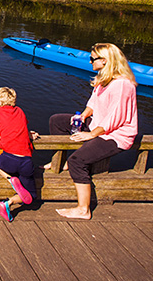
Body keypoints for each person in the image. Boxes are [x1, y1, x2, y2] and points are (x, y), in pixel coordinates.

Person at [50, 43, 138, 220]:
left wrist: (91, 134)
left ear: (104, 61)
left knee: (78, 161)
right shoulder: (104, 79)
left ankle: (83, 209)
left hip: (115, 135)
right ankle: (62, 160)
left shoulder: (122, 85)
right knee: (57, 121)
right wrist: (83, 115)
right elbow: (93, 103)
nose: (89, 61)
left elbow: (116, 118)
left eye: (92, 58)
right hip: (99, 125)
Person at [0, 87, 39, 221]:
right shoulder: (20, 111)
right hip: (26, 162)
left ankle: (10, 178)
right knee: (31, 195)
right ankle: (8, 203)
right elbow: (21, 129)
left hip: (8, 160)